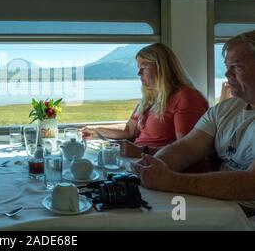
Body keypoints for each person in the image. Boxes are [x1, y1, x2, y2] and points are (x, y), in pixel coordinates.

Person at [132, 31, 255, 216]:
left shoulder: (187, 97)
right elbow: (186, 147)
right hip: (219, 203)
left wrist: (172, 181)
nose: (227, 74)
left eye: (236, 67)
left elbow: (250, 185)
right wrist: (152, 165)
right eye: (227, 66)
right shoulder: (225, 110)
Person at [81, 43, 209, 159]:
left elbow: (187, 151)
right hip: (140, 160)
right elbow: (129, 130)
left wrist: (141, 151)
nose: (139, 73)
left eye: (144, 67)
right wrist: (94, 130)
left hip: (162, 167)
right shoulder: (149, 97)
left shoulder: (187, 97)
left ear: (161, 68)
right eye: (138, 67)